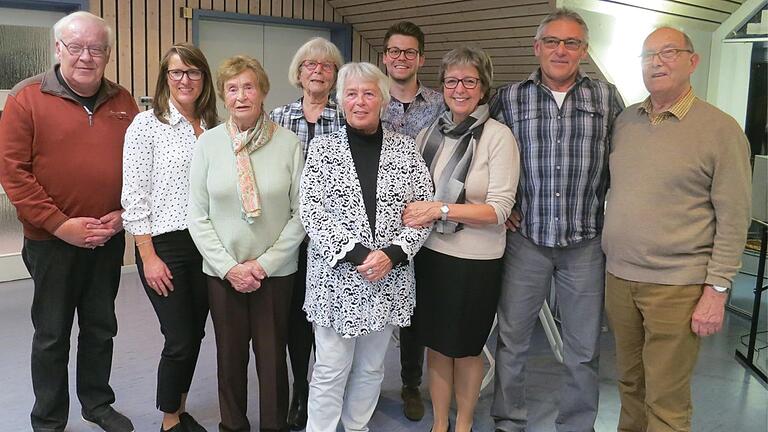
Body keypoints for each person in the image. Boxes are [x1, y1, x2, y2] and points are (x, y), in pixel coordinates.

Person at [602, 27, 752, 432]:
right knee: (629, 385)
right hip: (620, 278)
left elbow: (734, 217)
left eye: (669, 52)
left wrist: (717, 290)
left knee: (665, 397)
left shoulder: (721, 130)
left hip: (677, 286)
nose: (657, 62)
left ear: (692, 61)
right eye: (648, 54)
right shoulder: (625, 121)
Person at [0, 11, 138, 432]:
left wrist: (123, 214)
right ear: (58, 49)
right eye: (75, 47)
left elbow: (138, 166)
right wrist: (61, 225)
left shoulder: (124, 102)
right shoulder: (27, 98)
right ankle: (48, 418)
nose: (85, 56)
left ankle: (96, 403)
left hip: (107, 238)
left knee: (100, 327)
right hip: (51, 241)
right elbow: (12, 172)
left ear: (108, 54)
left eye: (96, 48)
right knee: (52, 333)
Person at [489, 9, 624, 432]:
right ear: (537, 47)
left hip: (585, 244)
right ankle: (509, 420)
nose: (560, 51)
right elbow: (488, 156)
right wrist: (504, 204)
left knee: (583, 348)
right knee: (512, 342)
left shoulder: (606, 97)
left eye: (571, 43)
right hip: (526, 240)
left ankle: (577, 424)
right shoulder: (510, 98)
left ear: (584, 50)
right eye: (552, 41)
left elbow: (625, 162)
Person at [300, 62, 433, 432]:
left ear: (383, 100)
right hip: (337, 280)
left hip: (388, 278)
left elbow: (422, 211)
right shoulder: (323, 149)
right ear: (341, 100)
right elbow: (313, 212)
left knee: (372, 366)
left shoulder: (405, 150)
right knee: (330, 367)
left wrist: (392, 254)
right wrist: (361, 255)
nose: (360, 101)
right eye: (352, 94)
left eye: (369, 93)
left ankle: (357, 425)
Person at [403, 46, 520, 432]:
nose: (459, 88)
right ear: (443, 86)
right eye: (452, 80)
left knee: (467, 349)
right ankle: (440, 423)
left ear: (483, 87)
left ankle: (465, 423)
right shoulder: (427, 135)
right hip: (432, 256)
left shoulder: (498, 137)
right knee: (436, 345)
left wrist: (441, 210)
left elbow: (499, 210)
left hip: (477, 262)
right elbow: (412, 193)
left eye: (469, 81)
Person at [187, 55, 304, 432]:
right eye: (232, 89)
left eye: (248, 87)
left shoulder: (288, 144)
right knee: (230, 358)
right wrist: (230, 268)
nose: (240, 96)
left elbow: (301, 214)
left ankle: (274, 426)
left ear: (263, 91)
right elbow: (197, 215)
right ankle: (232, 426)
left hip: (275, 274)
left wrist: (263, 265)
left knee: (272, 360)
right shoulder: (208, 145)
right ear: (223, 96)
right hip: (224, 274)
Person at [121, 43, 218, 432]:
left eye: (193, 72)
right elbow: (134, 195)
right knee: (178, 336)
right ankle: (169, 420)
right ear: (165, 79)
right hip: (166, 245)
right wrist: (148, 255)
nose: (184, 80)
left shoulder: (213, 127)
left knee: (195, 332)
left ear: (203, 79)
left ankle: (178, 406)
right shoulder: (146, 126)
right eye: (176, 72)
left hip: (207, 245)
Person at [269, 37, 345, 431]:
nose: (317, 70)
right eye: (309, 64)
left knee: (330, 319)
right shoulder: (277, 118)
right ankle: (301, 388)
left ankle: (328, 388)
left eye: (327, 66)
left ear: (335, 76)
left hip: (334, 239)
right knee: (296, 317)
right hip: (289, 236)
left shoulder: (347, 117)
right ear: (298, 73)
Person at [380, 20, 445, 421]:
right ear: (384, 56)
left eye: (409, 52)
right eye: (394, 51)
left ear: (420, 58)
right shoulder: (368, 97)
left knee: (415, 313)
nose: (400, 58)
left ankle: (409, 384)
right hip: (375, 222)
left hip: (427, 222)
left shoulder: (441, 103)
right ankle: (362, 384)